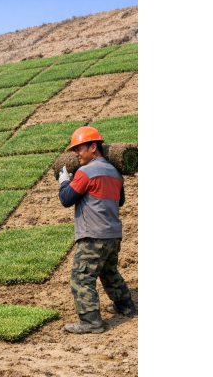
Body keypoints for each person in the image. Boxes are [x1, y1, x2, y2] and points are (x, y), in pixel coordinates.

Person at [56, 126, 136, 334]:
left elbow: (66, 199)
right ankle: (125, 305)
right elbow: (120, 201)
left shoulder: (84, 172)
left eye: (78, 149)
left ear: (93, 147)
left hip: (93, 235)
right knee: (108, 272)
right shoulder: (116, 173)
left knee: (81, 277)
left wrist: (65, 182)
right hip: (113, 235)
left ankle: (91, 321)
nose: (75, 154)